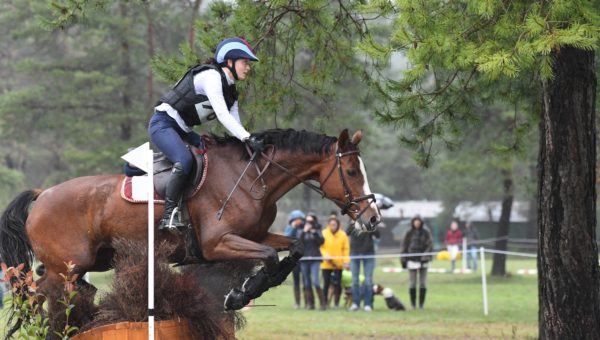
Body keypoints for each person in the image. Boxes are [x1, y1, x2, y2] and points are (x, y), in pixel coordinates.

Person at [148, 37, 263, 231]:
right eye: (245, 62)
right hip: (163, 124)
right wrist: (247, 137)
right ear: (229, 62)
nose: (248, 67)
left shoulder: (231, 91)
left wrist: (248, 141)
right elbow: (222, 115)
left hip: (184, 131)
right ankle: (168, 215)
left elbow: (235, 125)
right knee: (184, 160)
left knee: (212, 155)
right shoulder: (211, 77)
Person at [401, 216, 433, 309]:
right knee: (412, 283)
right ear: (413, 222)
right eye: (415, 221)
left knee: (423, 283)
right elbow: (404, 246)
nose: (417, 223)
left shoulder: (426, 232)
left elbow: (430, 245)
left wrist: (425, 256)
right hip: (411, 259)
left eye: (418, 221)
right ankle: (413, 304)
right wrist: (403, 259)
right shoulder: (409, 233)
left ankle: (421, 304)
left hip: (424, 261)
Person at [346, 222, 380, 312]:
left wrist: (371, 225)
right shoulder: (353, 219)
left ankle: (368, 304)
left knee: (368, 280)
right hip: (355, 252)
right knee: (355, 280)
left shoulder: (369, 219)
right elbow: (347, 232)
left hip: (368, 252)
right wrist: (353, 223)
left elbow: (377, 235)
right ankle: (355, 303)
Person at [320, 216, 350, 308]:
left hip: (338, 264)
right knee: (326, 283)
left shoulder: (343, 235)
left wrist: (346, 261)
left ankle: (336, 303)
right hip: (326, 264)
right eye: (331, 224)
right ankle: (324, 302)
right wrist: (325, 255)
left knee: (337, 284)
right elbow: (321, 247)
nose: (333, 226)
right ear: (328, 225)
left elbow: (346, 249)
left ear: (338, 225)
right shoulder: (323, 233)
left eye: (334, 225)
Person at [298, 218, 326, 310]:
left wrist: (314, 233)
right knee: (306, 283)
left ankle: (322, 304)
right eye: (307, 222)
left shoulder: (317, 231)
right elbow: (298, 243)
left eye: (310, 223)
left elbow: (321, 242)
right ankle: (310, 304)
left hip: (315, 259)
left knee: (316, 281)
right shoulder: (301, 232)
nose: (309, 224)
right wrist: (304, 232)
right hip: (304, 260)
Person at [283, 210, 305, 309]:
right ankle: (297, 302)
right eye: (296, 220)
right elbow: (286, 239)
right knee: (296, 281)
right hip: (295, 259)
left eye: (300, 220)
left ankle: (307, 302)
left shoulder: (305, 228)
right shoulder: (289, 228)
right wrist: (293, 227)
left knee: (306, 281)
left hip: (305, 259)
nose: (298, 221)